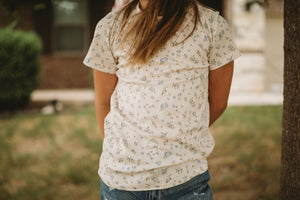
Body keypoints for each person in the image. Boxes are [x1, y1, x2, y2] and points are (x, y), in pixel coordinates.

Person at [83, 0, 240, 199]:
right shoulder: (111, 27)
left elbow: (218, 102)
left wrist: (176, 135)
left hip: (186, 181)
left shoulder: (211, 25)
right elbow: (103, 102)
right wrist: (122, 150)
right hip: (122, 183)